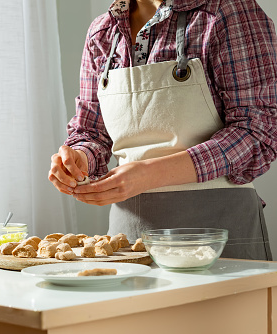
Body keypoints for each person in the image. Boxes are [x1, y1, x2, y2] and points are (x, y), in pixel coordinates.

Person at [48, 0, 277, 260]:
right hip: (128, 242)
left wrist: (149, 173)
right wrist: (79, 159)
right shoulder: (102, 32)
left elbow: (258, 131)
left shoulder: (227, 12)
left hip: (218, 237)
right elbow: (91, 133)